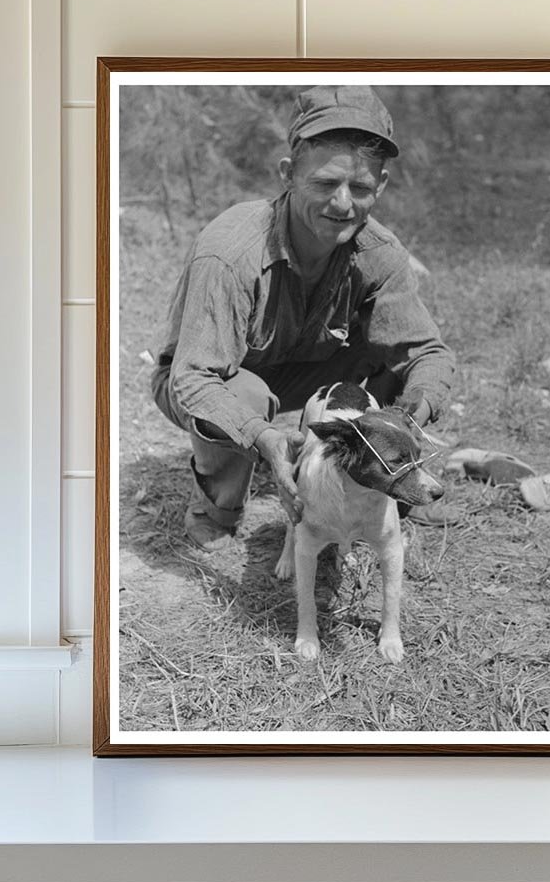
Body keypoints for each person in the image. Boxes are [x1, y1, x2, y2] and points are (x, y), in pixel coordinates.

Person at [151, 85, 459, 550]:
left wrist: (411, 411)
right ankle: (218, 507)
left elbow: (427, 353)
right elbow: (193, 379)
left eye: (359, 188)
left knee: (398, 367)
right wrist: (264, 438)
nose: (342, 204)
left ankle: (386, 492)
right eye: (323, 184)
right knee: (246, 394)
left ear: (381, 186)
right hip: (209, 380)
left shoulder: (380, 253)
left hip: (307, 371)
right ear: (288, 174)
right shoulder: (231, 251)